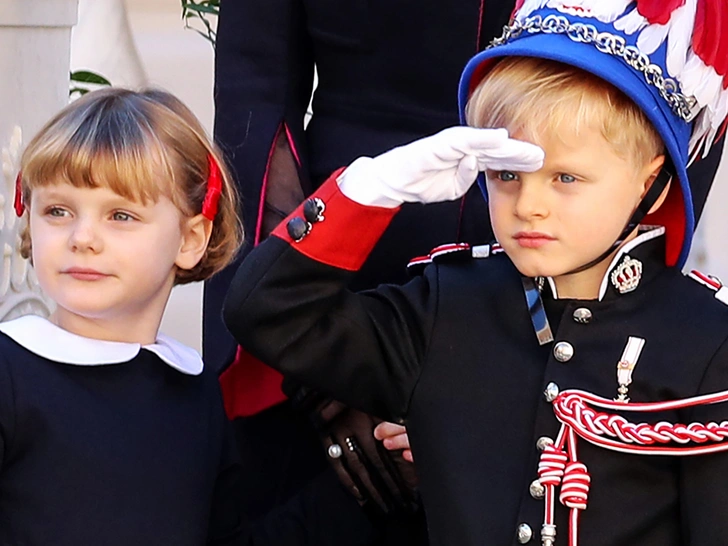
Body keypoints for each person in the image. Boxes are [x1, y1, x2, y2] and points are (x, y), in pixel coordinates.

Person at [223, 1, 728, 545]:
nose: (529, 204)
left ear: (649, 181)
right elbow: (263, 311)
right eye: (507, 174)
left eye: (566, 178)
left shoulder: (703, 343)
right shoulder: (445, 308)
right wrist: (372, 188)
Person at [0, 87, 393, 546]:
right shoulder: (10, 373)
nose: (82, 237)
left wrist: (373, 483)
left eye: (121, 215)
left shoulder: (196, 391)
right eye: (58, 211)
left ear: (191, 239)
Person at [206, 2, 522, 542]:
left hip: (541, 296)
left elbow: (675, 120)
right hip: (332, 274)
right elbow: (258, 95)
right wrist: (318, 373)